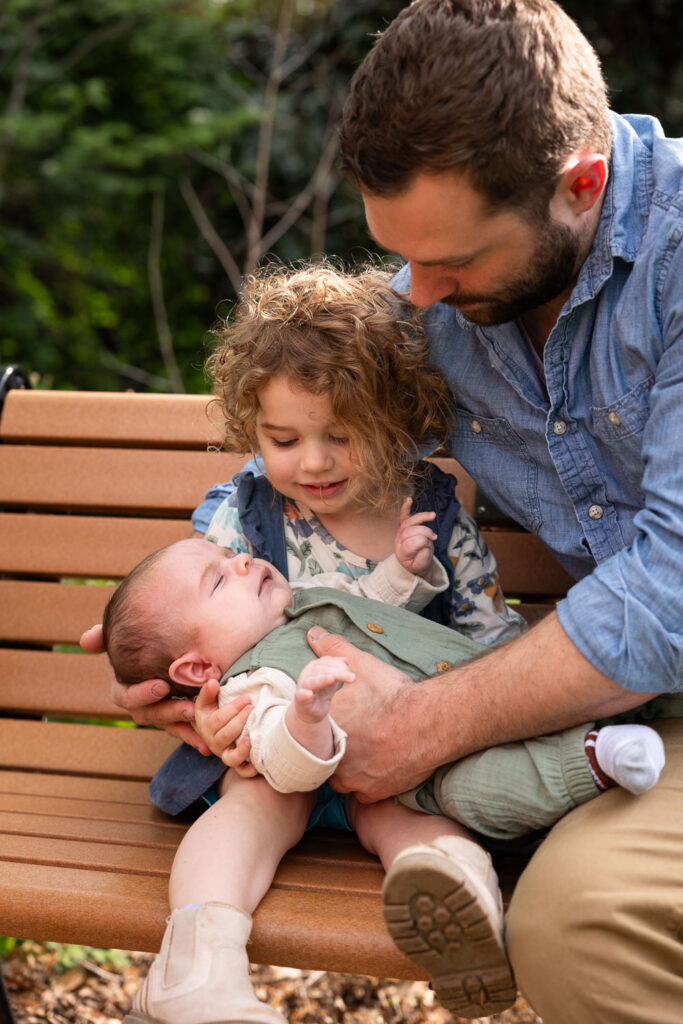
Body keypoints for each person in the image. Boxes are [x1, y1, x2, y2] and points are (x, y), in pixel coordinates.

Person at [89, 3, 683, 1018]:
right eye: (397, 256)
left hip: (610, 692)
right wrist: (181, 624)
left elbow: (670, 585)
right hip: (637, 713)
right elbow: (300, 426)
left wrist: (411, 724)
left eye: (450, 263)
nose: (415, 293)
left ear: (578, 183)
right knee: (573, 929)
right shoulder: (436, 300)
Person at [106, 528, 664, 1024]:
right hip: (296, 778)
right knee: (247, 809)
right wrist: (307, 718)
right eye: (218, 580)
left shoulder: (304, 603)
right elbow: (281, 759)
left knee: (409, 819)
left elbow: (370, 609)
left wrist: (404, 572)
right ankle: (195, 971)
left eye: (230, 555)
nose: (243, 562)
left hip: (389, 776)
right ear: (198, 670)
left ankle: (457, 891)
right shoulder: (248, 682)